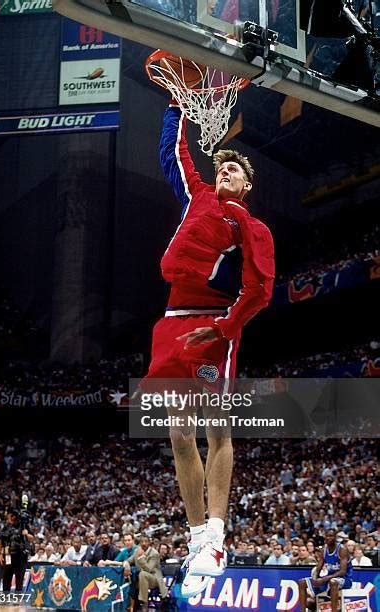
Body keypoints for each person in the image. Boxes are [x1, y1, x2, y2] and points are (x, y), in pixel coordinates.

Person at [140, 101, 275, 598]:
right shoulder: (197, 193)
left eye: (235, 168)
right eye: (222, 165)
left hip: (213, 328)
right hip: (174, 321)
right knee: (178, 433)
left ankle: (216, 535)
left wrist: (224, 330)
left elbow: (260, 290)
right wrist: (176, 103)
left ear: (247, 186)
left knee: (217, 429)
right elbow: (171, 152)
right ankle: (197, 536)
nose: (226, 170)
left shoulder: (251, 227)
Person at [298, 529, 353, 612]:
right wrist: (315, 578)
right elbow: (318, 568)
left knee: (333, 582)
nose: (328, 538)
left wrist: (324, 579)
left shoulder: (342, 549)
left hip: (345, 579)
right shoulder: (324, 550)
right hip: (329, 578)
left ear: (335, 537)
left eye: (331, 536)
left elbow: (342, 571)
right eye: (327, 536)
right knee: (302, 582)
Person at [125, 535, 168, 612]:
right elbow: (128, 561)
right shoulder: (137, 551)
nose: (144, 543)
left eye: (146, 541)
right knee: (131, 578)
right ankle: (128, 604)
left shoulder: (154, 553)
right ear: (139, 543)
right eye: (142, 541)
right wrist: (126, 565)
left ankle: (144, 602)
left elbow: (148, 569)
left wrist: (141, 558)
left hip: (154, 579)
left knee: (143, 574)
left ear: (149, 543)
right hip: (141, 580)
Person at [0, 510, 34, 592]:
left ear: (14, 517)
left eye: (11, 516)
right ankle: (5, 597)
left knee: (20, 577)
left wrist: (27, 534)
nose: (9, 518)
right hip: (8, 555)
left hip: (21, 555)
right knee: (7, 576)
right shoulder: (6, 527)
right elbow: (0, 539)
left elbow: (32, 538)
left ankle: (17, 598)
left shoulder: (24, 526)